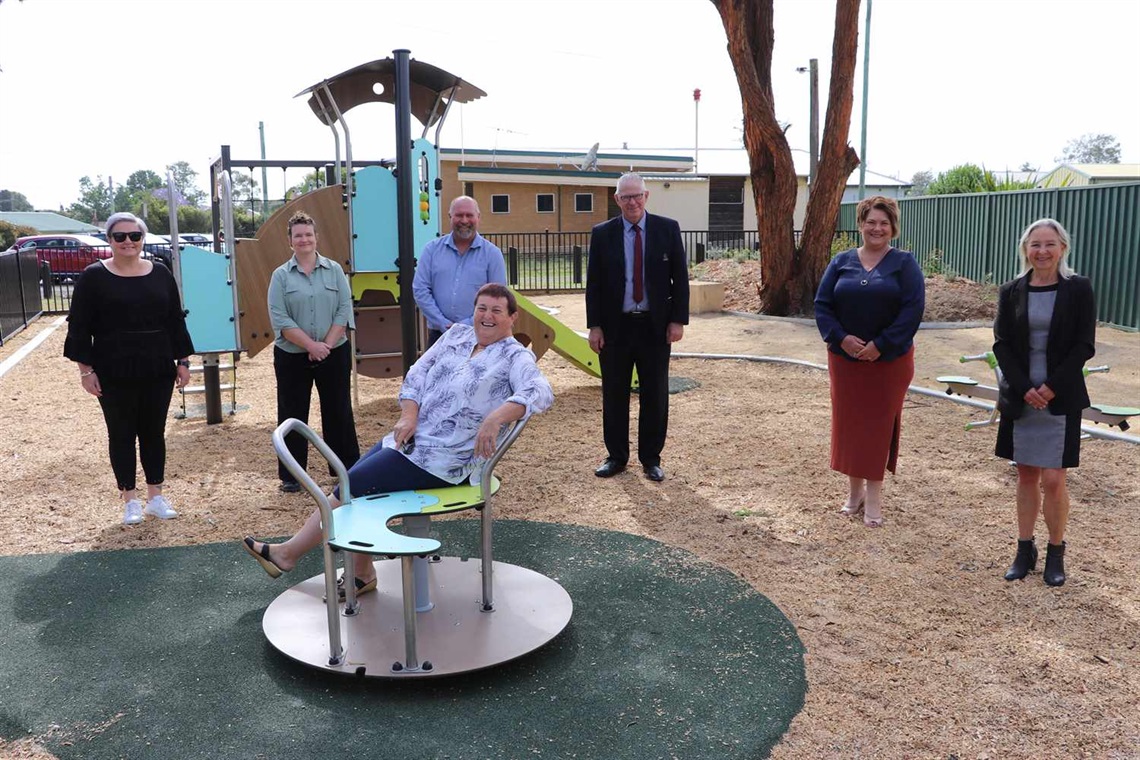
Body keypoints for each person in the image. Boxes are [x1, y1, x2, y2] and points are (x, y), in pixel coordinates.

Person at [243, 284, 554, 596]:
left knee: (351, 487)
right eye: (481, 308)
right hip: (409, 439)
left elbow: (539, 391)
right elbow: (418, 372)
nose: (487, 316)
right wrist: (409, 413)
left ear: (512, 317)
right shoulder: (458, 335)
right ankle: (361, 573)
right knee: (352, 483)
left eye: (496, 311)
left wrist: (495, 417)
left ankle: (289, 554)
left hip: (445, 459)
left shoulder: (514, 356)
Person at [63, 212, 195, 525]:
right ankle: (129, 499)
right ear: (109, 240)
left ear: (142, 239)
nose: (128, 242)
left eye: (134, 236)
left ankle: (155, 497)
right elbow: (79, 328)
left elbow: (175, 320)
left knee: (153, 433)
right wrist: (86, 370)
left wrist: (184, 361)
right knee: (121, 434)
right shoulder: (93, 277)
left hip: (157, 366)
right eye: (120, 236)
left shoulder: (161, 273)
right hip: (113, 369)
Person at [993, 218, 1095, 587]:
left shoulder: (1078, 289)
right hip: (1022, 396)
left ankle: (1055, 551)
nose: (1042, 251)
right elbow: (1002, 344)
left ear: (1062, 248)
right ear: (1025, 249)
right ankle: (1024, 549)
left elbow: (1084, 344)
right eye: (1035, 244)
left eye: (1050, 244)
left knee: (1053, 478)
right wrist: (1025, 388)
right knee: (1025, 474)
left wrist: (1050, 387)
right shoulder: (1011, 291)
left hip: (1060, 395)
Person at [814, 195, 925, 528]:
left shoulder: (905, 264)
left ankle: (874, 497)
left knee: (877, 427)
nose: (877, 228)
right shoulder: (841, 262)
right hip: (846, 362)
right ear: (861, 224)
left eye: (884, 223)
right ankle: (854, 493)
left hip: (888, 363)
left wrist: (882, 344)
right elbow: (822, 305)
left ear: (893, 228)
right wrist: (841, 338)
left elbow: (912, 310)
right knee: (849, 427)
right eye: (871, 221)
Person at [586, 172, 689, 483]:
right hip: (616, 328)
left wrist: (677, 320)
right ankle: (616, 457)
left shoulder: (667, 229)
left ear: (646, 196)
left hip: (655, 328)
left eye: (636, 195)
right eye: (625, 196)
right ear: (617, 200)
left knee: (655, 395)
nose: (631, 201)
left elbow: (679, 279)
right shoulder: (602, 234)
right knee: (613, 394)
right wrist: (595, 326)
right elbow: (594, 284)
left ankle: (651, 458)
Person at [267, 211, 360, 493]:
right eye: (298, 235)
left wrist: (325, 346)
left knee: (339, 410)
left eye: (308, 234)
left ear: (316, 237)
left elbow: (344, 310)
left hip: (334, 351)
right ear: (290, 241)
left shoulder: (334, 271)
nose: (304, 239)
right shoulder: (280, 276)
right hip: (292, 356)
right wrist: (310, 346)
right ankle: (292, 475)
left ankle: (345, 469)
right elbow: (280, 319)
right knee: (292, 413)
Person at [413, 195, 508, 347]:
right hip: (439, 336)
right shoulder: (431, 250)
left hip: (480, 336)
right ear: (450, 217)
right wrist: (442, 323)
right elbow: (420, 289)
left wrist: (465, 325)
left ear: (478, 217)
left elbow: (499, 297)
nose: (464, 220)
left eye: (469, 215)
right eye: (459, 215)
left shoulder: (492, 254)